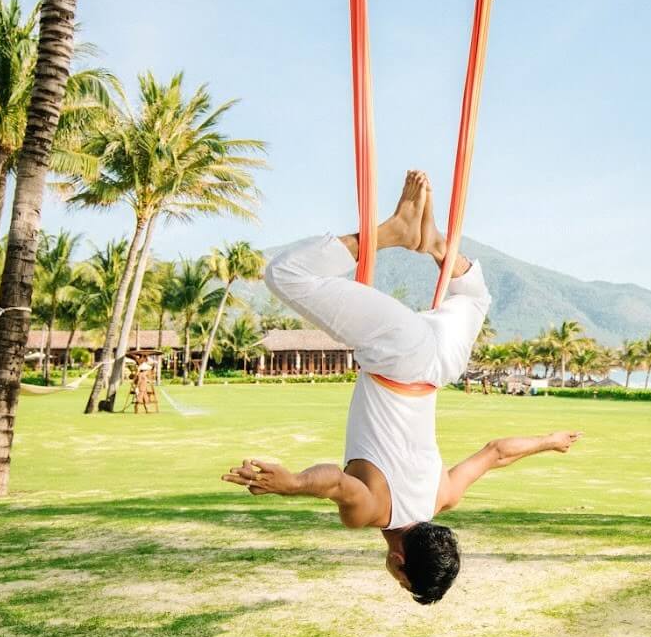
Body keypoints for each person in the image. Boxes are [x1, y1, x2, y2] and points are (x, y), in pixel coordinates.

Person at [222, 171, 581, 604]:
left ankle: (432, 243)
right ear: (402, 566)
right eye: (404, 584)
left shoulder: (442, 498)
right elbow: (335, 483)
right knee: (287, 274)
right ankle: (394, 233)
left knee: (474, 297)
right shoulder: (372, 512)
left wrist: (550, 441)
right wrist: (294, 484)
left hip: (440, 367)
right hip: (398, 358)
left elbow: (496, 453)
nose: (396, 581)